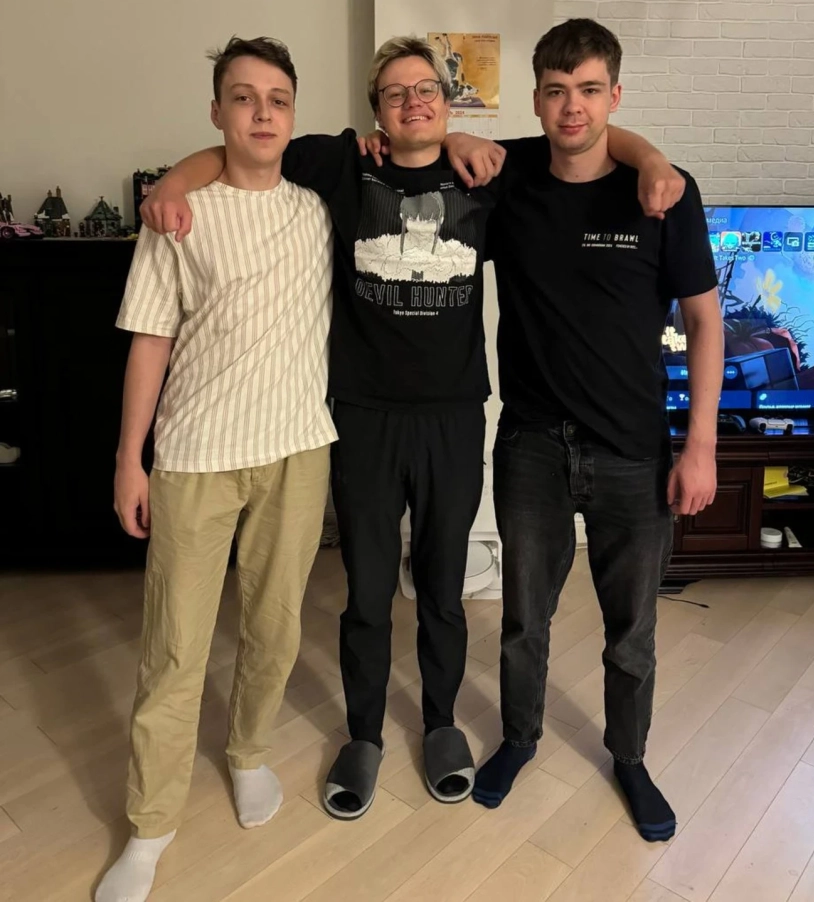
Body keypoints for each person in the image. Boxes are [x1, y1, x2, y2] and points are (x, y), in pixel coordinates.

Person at [141, 35, 685, 822]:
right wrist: (171, 181)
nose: (413, 102)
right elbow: (237, 150)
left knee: (442, 590)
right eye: (395, 93)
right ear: (377, 111)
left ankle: (439, 724)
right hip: (362, 417)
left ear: (448, 102)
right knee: (366, 591)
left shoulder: (488, 175)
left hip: (455, 417)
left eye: (426, 89)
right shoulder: (340, 165)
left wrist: (655, 157)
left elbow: (591, 137)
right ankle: (364, 733)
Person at [466, 20, 724, 844]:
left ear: (615, 95)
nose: (570, 107)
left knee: (632, 631)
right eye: (555, 91)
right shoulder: (510, 180)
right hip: (532, 445)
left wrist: (702, 446)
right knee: (523, 618)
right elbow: (435, 147)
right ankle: (519, 738)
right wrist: (457, 136)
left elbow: (705, 323)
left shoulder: (665, 192)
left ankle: (630, 757)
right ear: (537, 99)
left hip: (634, 450)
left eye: (587, 90)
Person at [96, 37, 336, 902]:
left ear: (293, 115)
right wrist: (129, 461)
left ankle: (248, 752)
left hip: (298, 449)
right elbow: (149, 342)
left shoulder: (319, 211)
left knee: (275, 628)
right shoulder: (178, 216)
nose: (262, 112)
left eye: (277, 99)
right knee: (174, 647)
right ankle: (150, 824)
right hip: (196, 456)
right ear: (217, 112)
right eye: (243, 97)